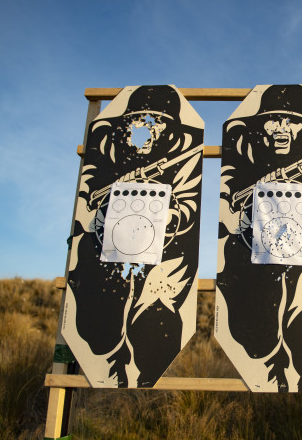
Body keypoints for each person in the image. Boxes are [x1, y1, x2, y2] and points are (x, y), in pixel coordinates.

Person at [65, 85, 203, 387]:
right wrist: (114, 200)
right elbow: (87, 209)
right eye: (142, 121)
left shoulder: (181, 161)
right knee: (98, 331)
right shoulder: (104, 154)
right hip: (104, 263)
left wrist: (158, 204)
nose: (149, 131)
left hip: (160, 263)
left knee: (154, 329)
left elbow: (187, 210)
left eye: (159, 123)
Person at [216, 85, 302, 392]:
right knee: (254, 340)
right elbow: (227, 208)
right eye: (273, 120)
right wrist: (247, 214)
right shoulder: (240, 156)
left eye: (292, 121)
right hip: (252, 269)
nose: (282, 128)